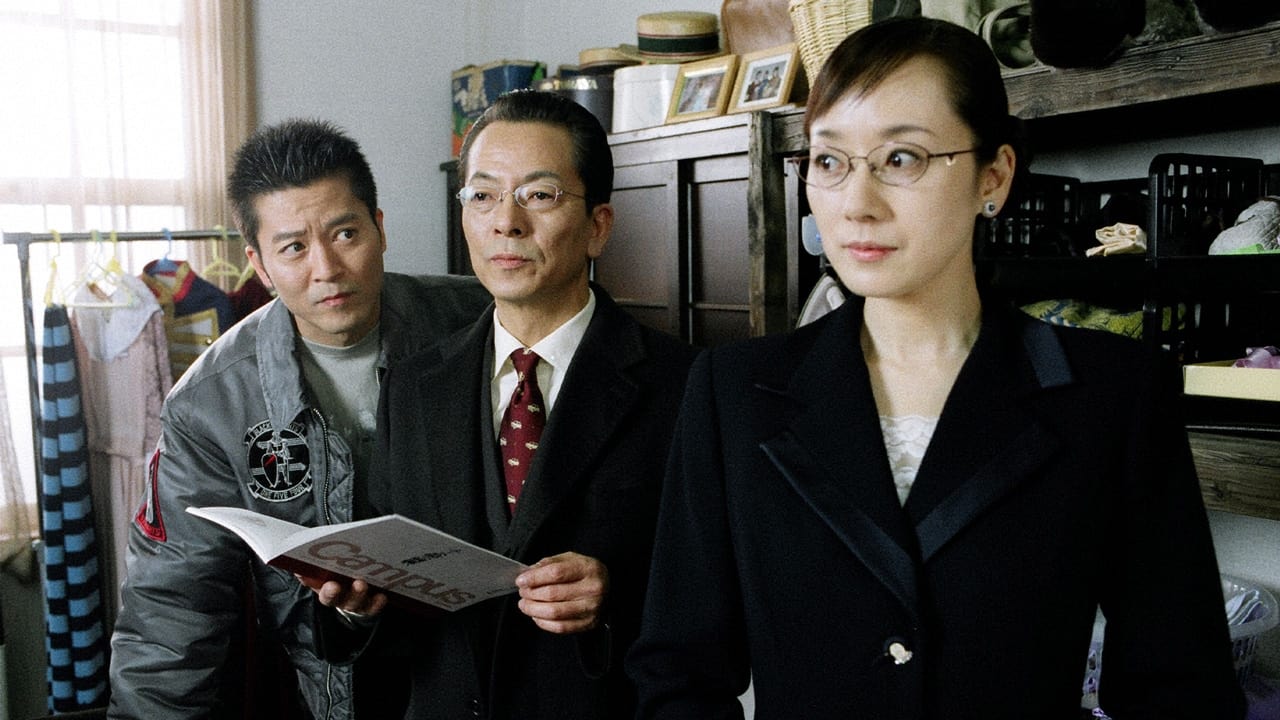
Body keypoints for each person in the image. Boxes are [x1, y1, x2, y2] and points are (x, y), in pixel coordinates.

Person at [627, 17, 1245, 720]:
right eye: (829, 161)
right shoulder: (735, 392)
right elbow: (679, 673)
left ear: (994, 177)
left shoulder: (1112, 392)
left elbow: (1181, 685)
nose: (856, 203)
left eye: (901, 158)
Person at [308, 89, 698, 719]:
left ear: (598, 226)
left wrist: (616, 593)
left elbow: (731, 595)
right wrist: (358, 607)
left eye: (539, 195)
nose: (506, 222)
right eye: (483, 196)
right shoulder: (414, 386)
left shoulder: (685, 386)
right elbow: (392, 595)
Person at [108, 118, 491, 718]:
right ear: (259, 266)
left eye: (346, 233)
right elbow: (170, 614)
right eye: (294, 248)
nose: (327, 268)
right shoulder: (211, 404)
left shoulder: (476, 319)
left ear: (380, 229)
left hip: (487, 663)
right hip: (336, 688)